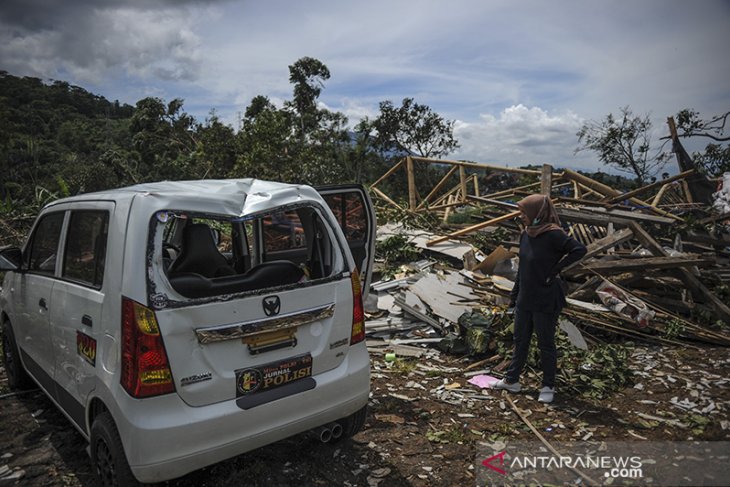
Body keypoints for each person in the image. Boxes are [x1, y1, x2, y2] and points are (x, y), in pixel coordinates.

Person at [494, 194, 587, 403]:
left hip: (545, 297)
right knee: (520, 341)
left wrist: (555, 270)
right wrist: (514, 296)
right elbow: (523, 268)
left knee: (545, 343)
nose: (521, 217)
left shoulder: (553, 235)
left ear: (538, 213)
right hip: (525, 298)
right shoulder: (526, 235)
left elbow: (579, 249)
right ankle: (512, 381)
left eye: (524, 213)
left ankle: (548, 385)